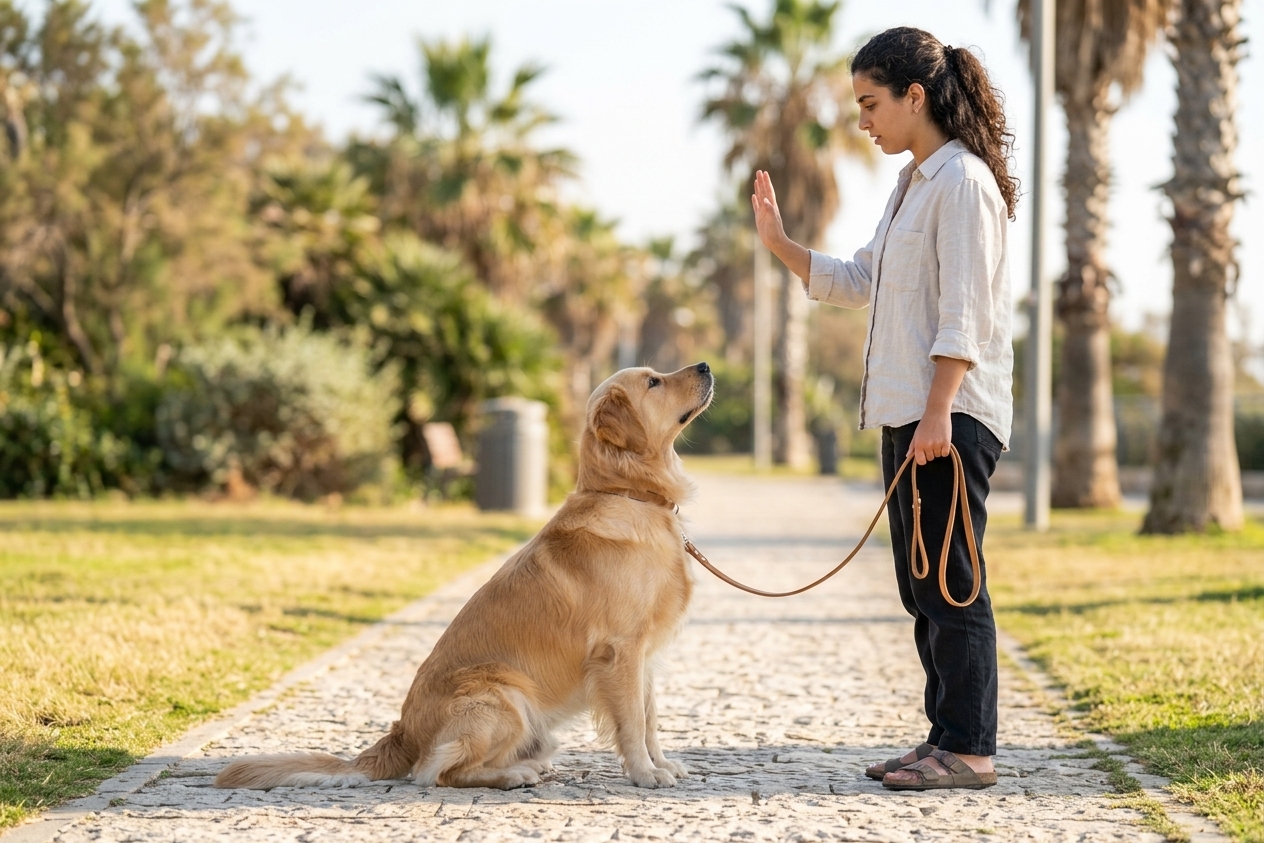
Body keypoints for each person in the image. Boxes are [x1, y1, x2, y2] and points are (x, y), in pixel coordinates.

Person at [751, 26, 1016, 791]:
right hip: (912, 414)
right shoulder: (912, 185)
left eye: (871, 103)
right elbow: (861, 278)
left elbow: (963, 314)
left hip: (948, 418)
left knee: (953, 581)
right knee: (919, 584)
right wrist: (781, 243)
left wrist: (938, 413)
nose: (862, 120)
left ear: (915, 96)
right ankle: (944, 736)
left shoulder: (963, 183)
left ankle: (970, 748)